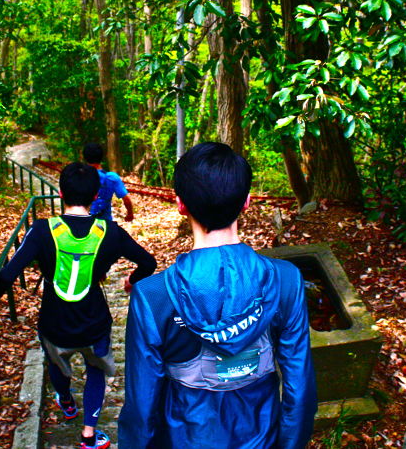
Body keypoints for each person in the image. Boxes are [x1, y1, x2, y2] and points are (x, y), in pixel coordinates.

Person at [118, 142, 317, 449]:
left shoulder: (152, 296)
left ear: (180, 204)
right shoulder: (286, 279)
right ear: (247, 202)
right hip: (262, 437)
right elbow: (299, 386)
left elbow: (141, 406)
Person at [0, 162, 157, 449]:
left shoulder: (41, 230)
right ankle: (89, 434)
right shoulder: (110, 232)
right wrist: (132, 280)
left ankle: (68, 403)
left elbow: (10, 271)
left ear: (60, 193)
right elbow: (148, 262)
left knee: (57, 366)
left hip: (53, 322)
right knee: (95, 371)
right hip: (95, 322)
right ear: (97, 194)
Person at [83, 142, 134, 224]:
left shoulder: (80, 175)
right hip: (105, 224)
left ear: (85, 157)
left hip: (84, 222)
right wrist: (130, 214)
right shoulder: (112, 177)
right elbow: (126, 199)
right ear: (102, 157)